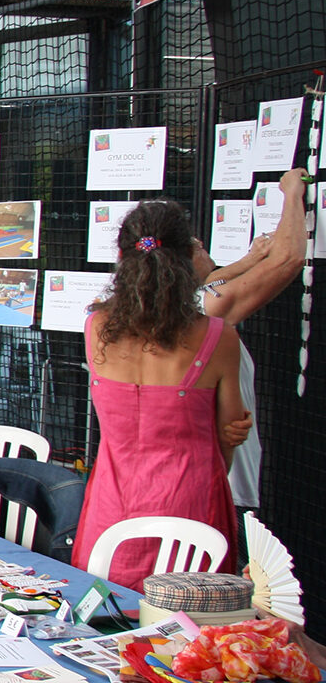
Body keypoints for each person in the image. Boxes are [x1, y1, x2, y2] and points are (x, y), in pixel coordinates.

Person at [72, 201, 245, 589]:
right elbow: (230, 433)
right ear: (188, 260)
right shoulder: (218, 338)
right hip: (192, 516)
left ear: (120, 257)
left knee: (104, 622)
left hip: (111, 513)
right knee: (187, 636)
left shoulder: (97, 328)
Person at [196, 168, 307, 520]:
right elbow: (288, 259)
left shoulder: (159, 305)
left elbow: (214, 280)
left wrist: (250, 259)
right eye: (198, 247)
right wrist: (291, 194)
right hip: (224, 487)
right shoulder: (204, 309)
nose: (205, 249)